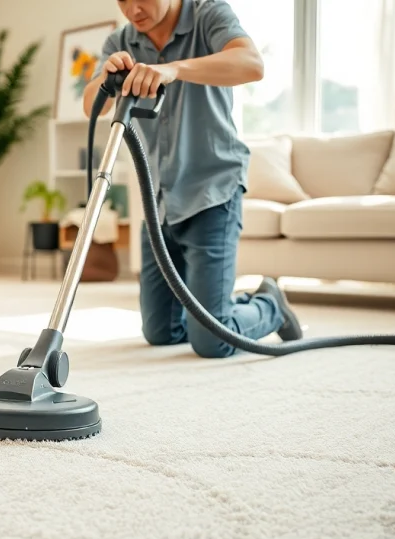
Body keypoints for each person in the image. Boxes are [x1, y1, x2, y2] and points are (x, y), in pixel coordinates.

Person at [82, 0, 303, 358]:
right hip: (158, 202)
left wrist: (173, 69)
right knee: (161, 332)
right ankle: (214, 310)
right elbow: (90, 104)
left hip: (211, 192)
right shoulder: (121, 41)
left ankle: (270, 305)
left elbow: (252, 64)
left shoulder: (207, 14)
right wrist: (107, 80)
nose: (133, 8)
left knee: (212, 341)